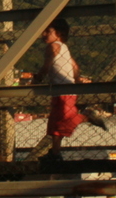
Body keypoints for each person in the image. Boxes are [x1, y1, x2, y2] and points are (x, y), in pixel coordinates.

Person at [36, 18, 107, 159]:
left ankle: (86, 117)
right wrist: (77, 81)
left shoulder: (53, 47)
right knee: (56, 123)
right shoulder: (64, 48)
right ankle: (55, 152)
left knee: (60, 122)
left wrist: (38, 78)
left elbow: (47, 65)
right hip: (65, 91)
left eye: (48, 31)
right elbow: (75, 66)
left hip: (62, 92)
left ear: (59, 33)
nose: (43, 34)